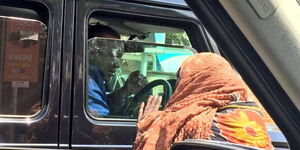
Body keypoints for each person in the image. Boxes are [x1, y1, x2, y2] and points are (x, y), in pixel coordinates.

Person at [134, 53, 273, 150]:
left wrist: (148, 124)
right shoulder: (252, 113)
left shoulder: (188, 121)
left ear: (195, 82)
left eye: (182, 79)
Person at [87, 24, 148, 116]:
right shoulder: (87, 83)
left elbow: (104, 106)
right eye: (116, 55)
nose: (118, 64)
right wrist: (148, 117)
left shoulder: (93, 79)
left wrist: (125, 91)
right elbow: (101, 126)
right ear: (93, 51)